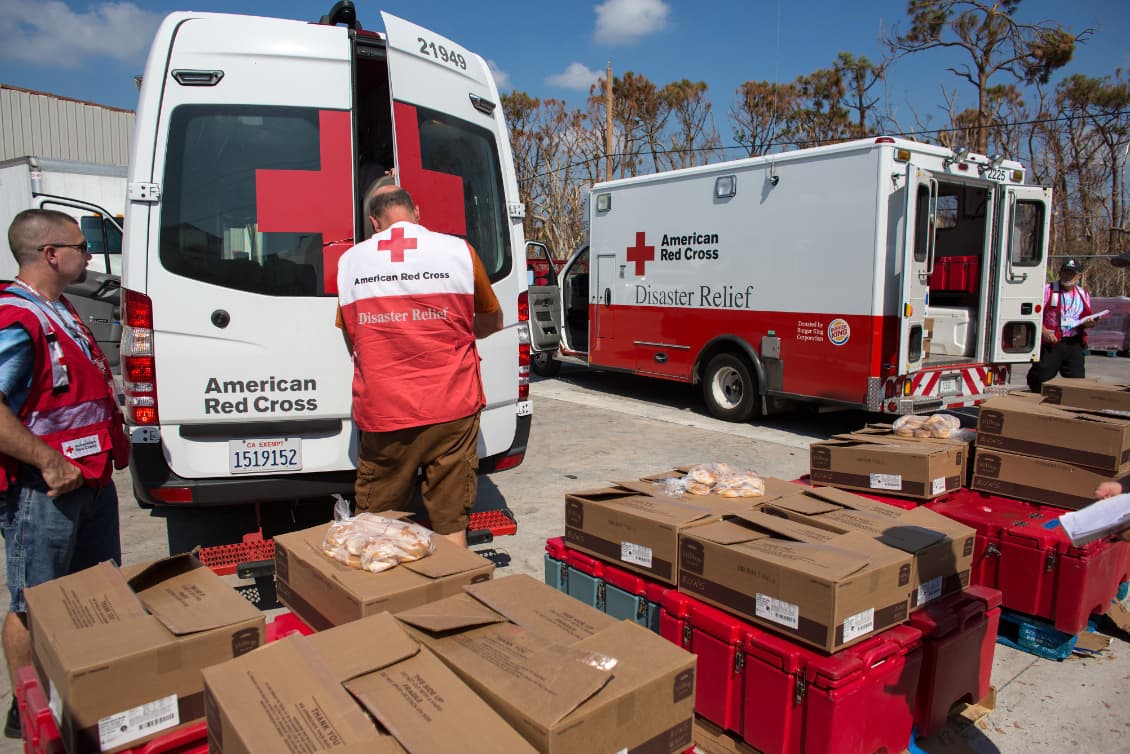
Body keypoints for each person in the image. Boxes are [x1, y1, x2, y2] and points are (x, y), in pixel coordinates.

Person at [0, 210, 129, 737]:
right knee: (34, 601)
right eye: (82, 246)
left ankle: (83, 692)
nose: (90, 255)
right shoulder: (16, 317)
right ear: (51, 254)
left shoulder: (58, 308)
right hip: (45, 488)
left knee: (96, 590)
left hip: (89, 477)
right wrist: (48, 460)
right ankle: (27, 708)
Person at [337, 185, 502, 547]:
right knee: (451, 521)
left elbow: (354, 337)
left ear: (374, 222)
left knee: (378, 527)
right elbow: (493, 319)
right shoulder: (459, 251)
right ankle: (452, 579)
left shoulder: (351, 262)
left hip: (386, 411)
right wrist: (457, 331)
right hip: (452, 406)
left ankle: (385, 580)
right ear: (416, 212)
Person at [1026, 259, 1100, 393]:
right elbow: (1034, 314)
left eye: (1071, 274)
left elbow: (1085, 318)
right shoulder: (1048, 290)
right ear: (1060, 273)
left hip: (1073, 342)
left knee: (1077, 381)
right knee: (1040, 378)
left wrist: (1089, 323)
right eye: (1065, 273)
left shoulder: (1083, 294)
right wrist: (1044, 331)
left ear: (1079, 276)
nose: (1067, 277)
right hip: (1053, 342)